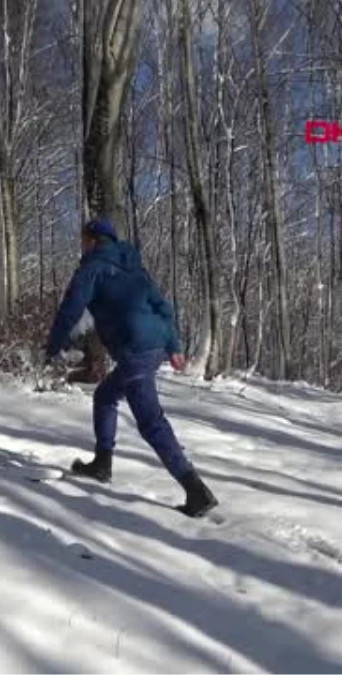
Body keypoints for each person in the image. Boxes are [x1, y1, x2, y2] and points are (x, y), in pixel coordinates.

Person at [45, 218, 218, 517]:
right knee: (105, 396)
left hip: (135, 350)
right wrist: (174, 346)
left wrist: (52, 347)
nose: (81, 244)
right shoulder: (136, 269)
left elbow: (71, 308)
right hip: (153, 346)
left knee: (151, 423)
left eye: (83, 239)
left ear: (95, 240)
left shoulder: (93, 267)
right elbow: (163, 308)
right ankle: (102, 463)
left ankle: (196, 491)